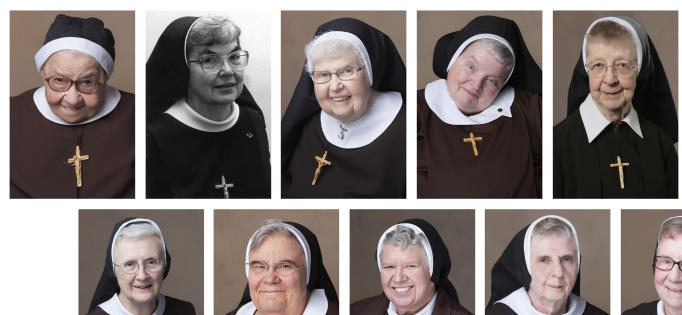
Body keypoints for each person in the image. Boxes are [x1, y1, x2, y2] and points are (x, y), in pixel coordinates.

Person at [10, 14, 134, 198]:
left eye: (87, 82)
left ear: (105, 78)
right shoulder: (9, 115)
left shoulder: (140, 114)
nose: (72, 99)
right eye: (59, 80)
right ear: (43, 73)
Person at [146, 15, 270, 198]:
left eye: (234, 57)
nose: (228, 71)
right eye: (210, 60)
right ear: (182, 68)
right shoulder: (154, 137)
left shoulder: (252, 119)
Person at [418, 15, 542, 198]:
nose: (476, 85)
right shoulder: (416, 109)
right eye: (471, 67)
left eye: (492, 80)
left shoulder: (530, 109)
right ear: (453, 58)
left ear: (503, 84)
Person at [554, 16, 678, 198]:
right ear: (586, 69)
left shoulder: (661, 145)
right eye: (598, 65)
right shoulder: (555, 144)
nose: (610, 79)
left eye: (623, 65)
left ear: (640, 70)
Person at [282, 18, 405, 198]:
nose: (334, 86)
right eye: (323, 75)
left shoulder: (408, 130)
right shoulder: (308, 127)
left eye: (347, 71)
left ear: (371, 74)